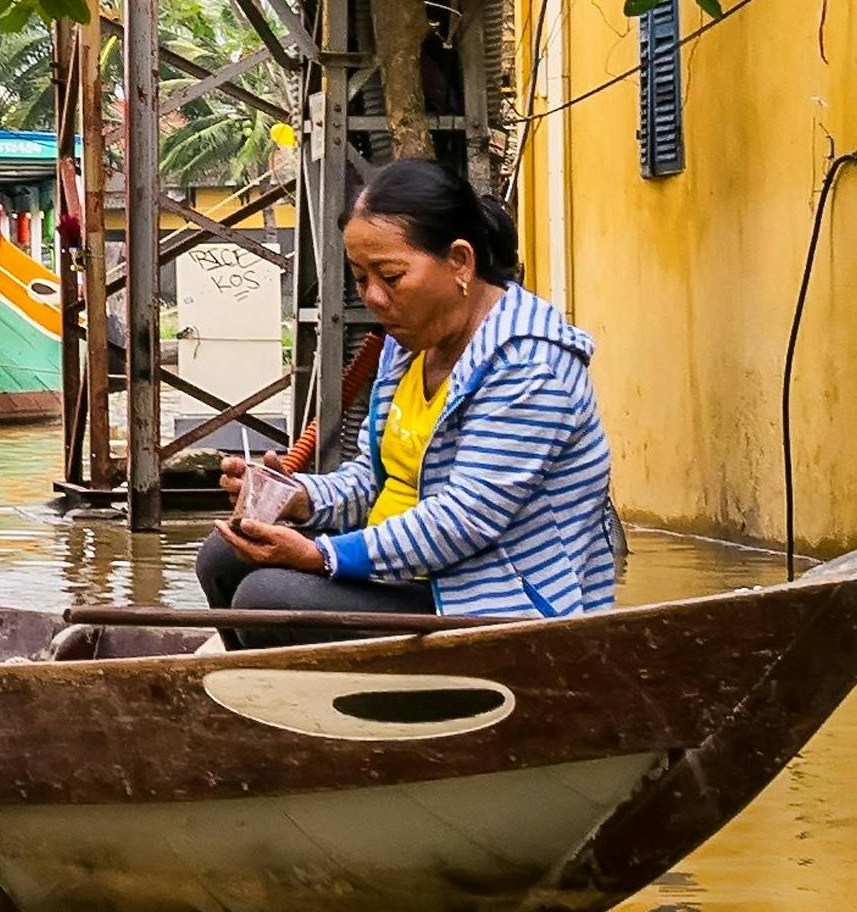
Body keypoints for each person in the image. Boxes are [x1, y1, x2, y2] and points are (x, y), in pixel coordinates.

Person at [200, 159, 621, 645]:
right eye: (361, 278)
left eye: (391, 276)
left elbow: (464, 519)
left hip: (491, 601)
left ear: (460, 262)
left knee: (268, 597)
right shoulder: (407, 348)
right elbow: (375, 478)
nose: (373, 297)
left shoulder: (529, 365)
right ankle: (264, 704)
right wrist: (299, 499)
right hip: (412, 580)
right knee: (223, 555)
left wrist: (322, 557)